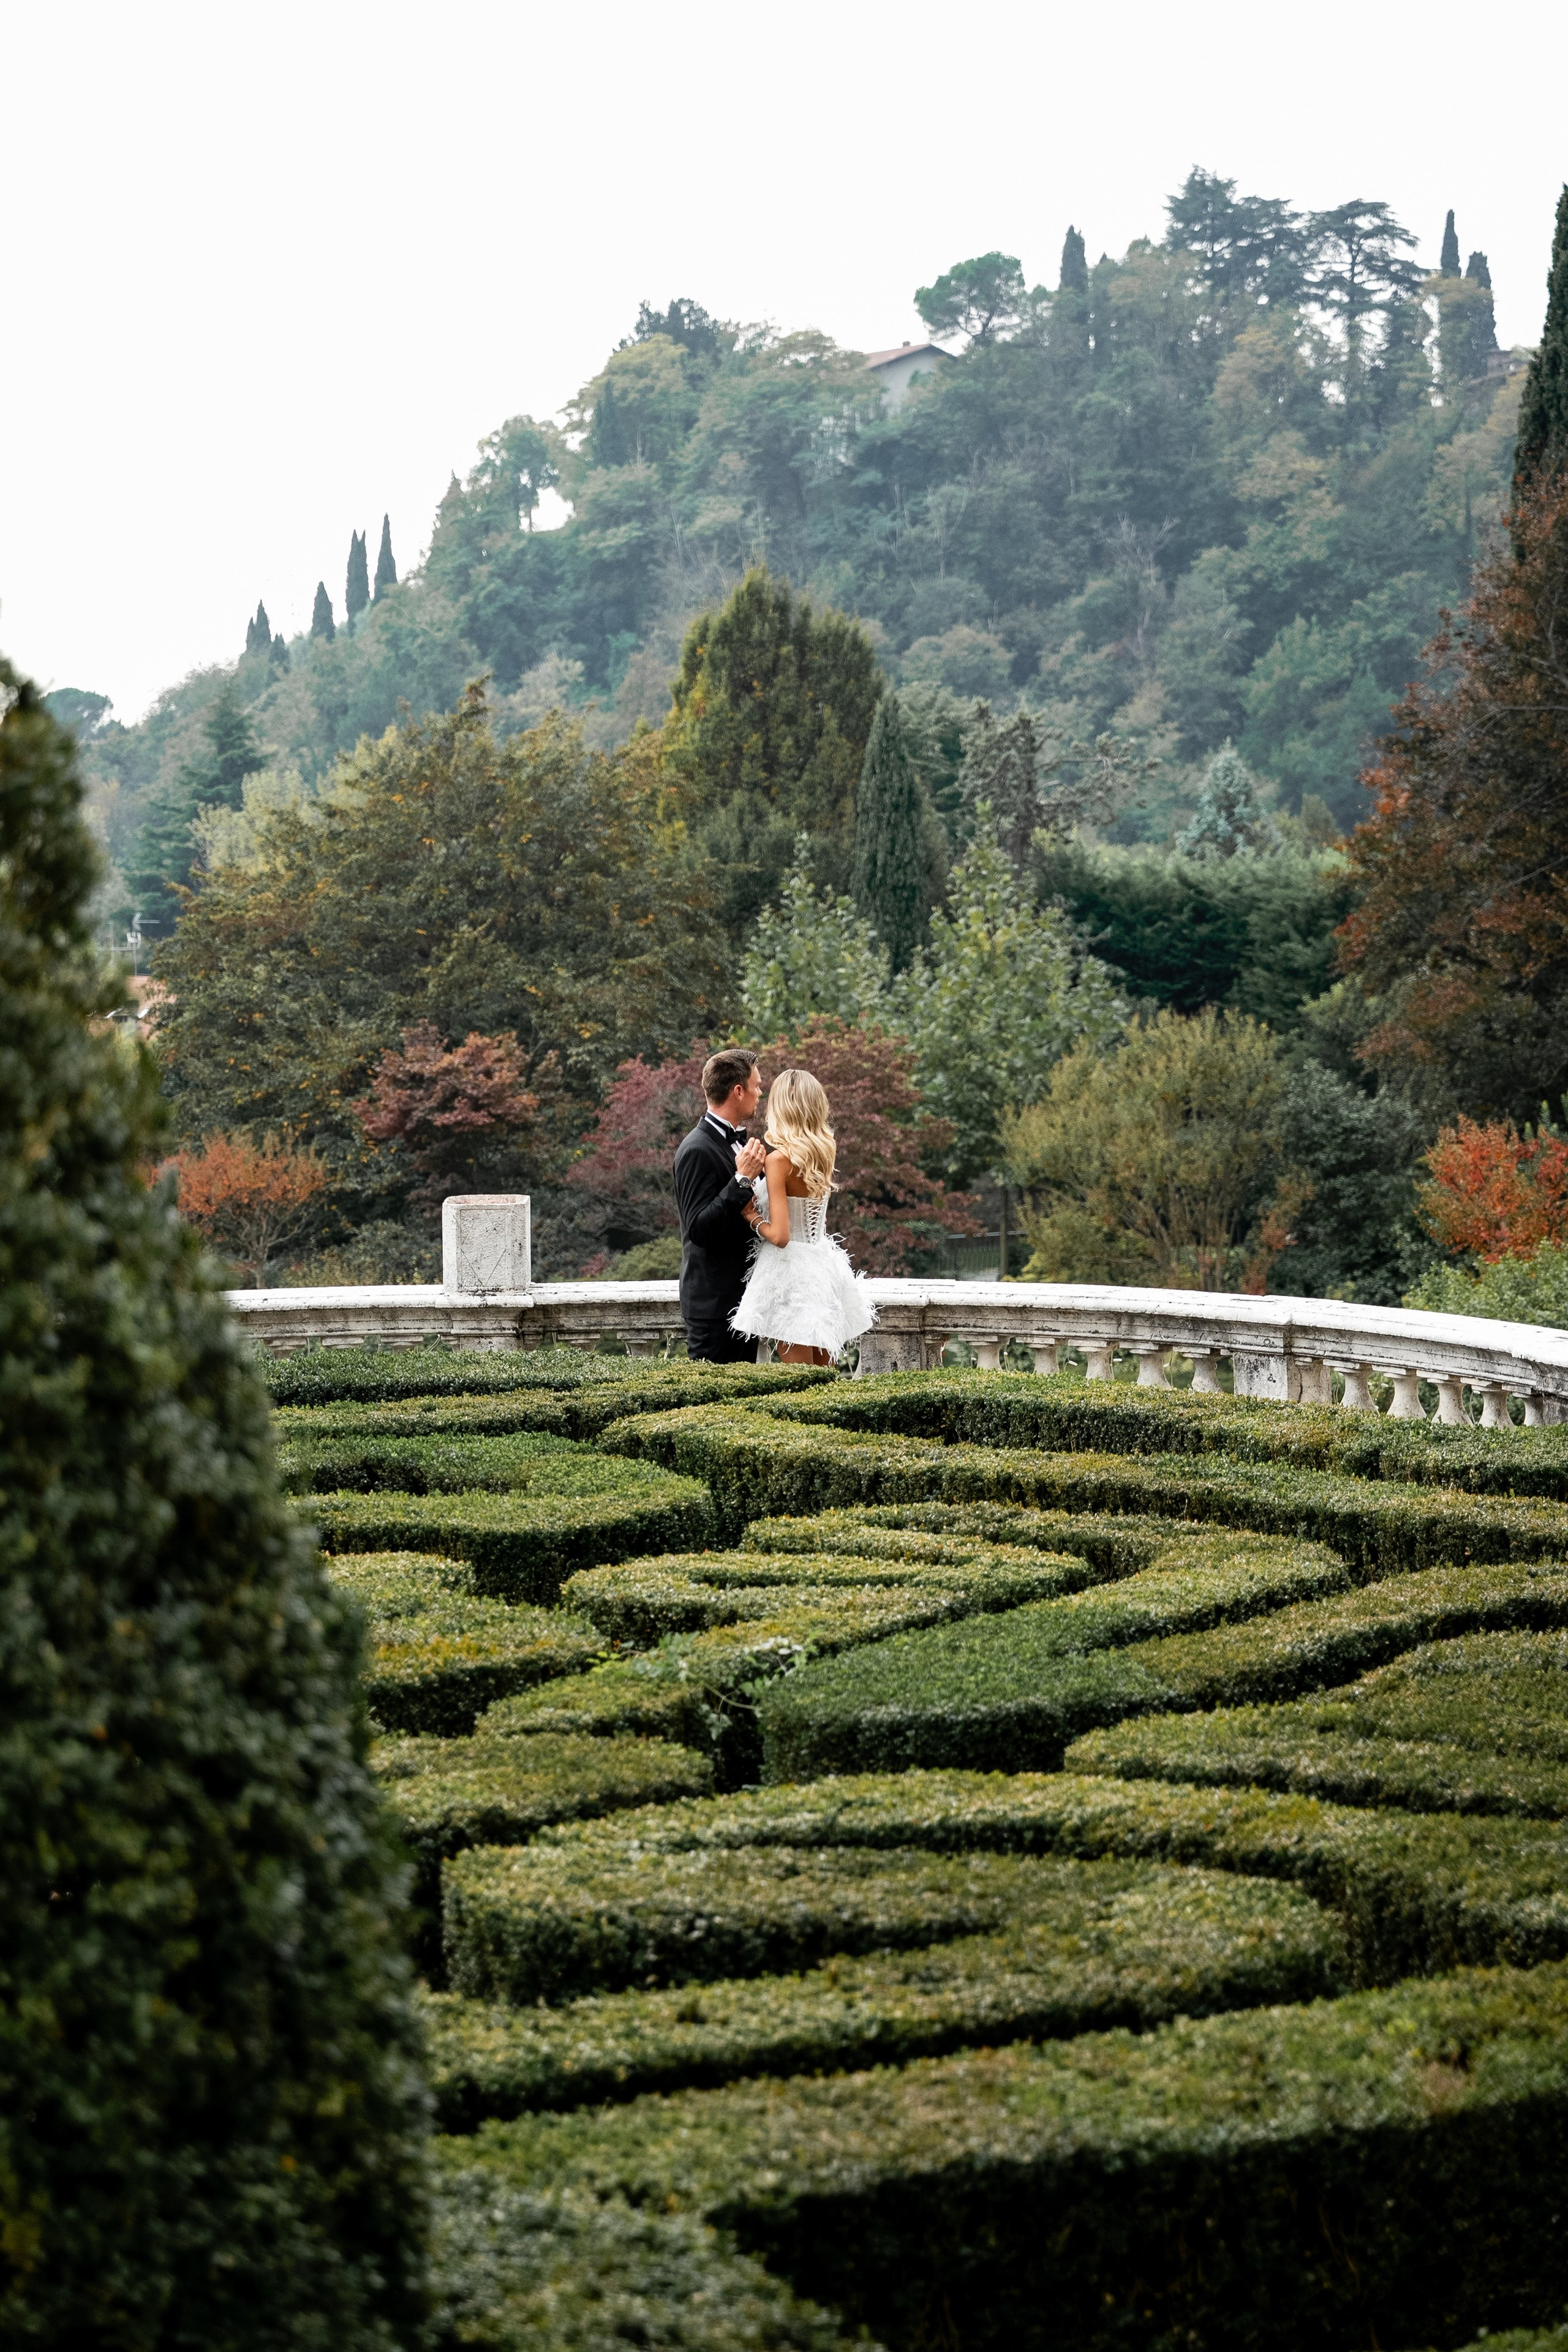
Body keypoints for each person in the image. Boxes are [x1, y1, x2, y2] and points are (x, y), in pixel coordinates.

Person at [731, 1066, 875, 1365]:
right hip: (821, 1266)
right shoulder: (825, 1149)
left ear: (782, 1108)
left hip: (791, 1276)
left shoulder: (778, 1160)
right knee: (824, 1378)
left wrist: (752, 1218)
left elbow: (781, 1236)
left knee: (799, 1381)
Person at [672, 1047, 768, 1363]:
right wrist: (742, 1179)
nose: (760, 1091)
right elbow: (699, 1229)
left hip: (745, 1301)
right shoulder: (696, 1149)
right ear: (737, 1091)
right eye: (756, 1085)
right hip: (714, 1309)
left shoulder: (743, 1143)